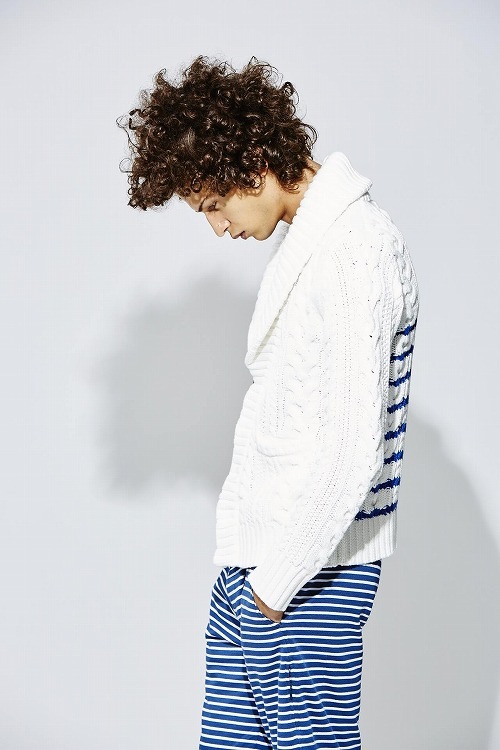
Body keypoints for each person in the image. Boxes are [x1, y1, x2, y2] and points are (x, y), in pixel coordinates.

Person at [118, 54, 420, 750]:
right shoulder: (312, 247)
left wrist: (274, 587)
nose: (217, 228)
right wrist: (247, 581)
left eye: (211, 205)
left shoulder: (355, 248)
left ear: (252, 162)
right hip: (257, 572)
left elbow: (352, 451)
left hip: (307, 581)